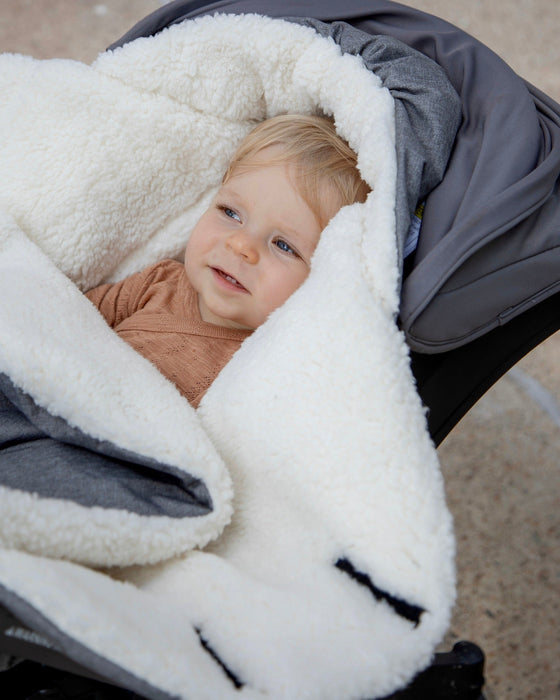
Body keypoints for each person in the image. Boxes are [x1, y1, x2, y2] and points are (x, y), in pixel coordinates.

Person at [86, 114, 370, 407]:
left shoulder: (264, 371)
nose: (241, 245)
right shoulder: (160, 281)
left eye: (283, 245)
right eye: (230, 213)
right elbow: (68, 319)